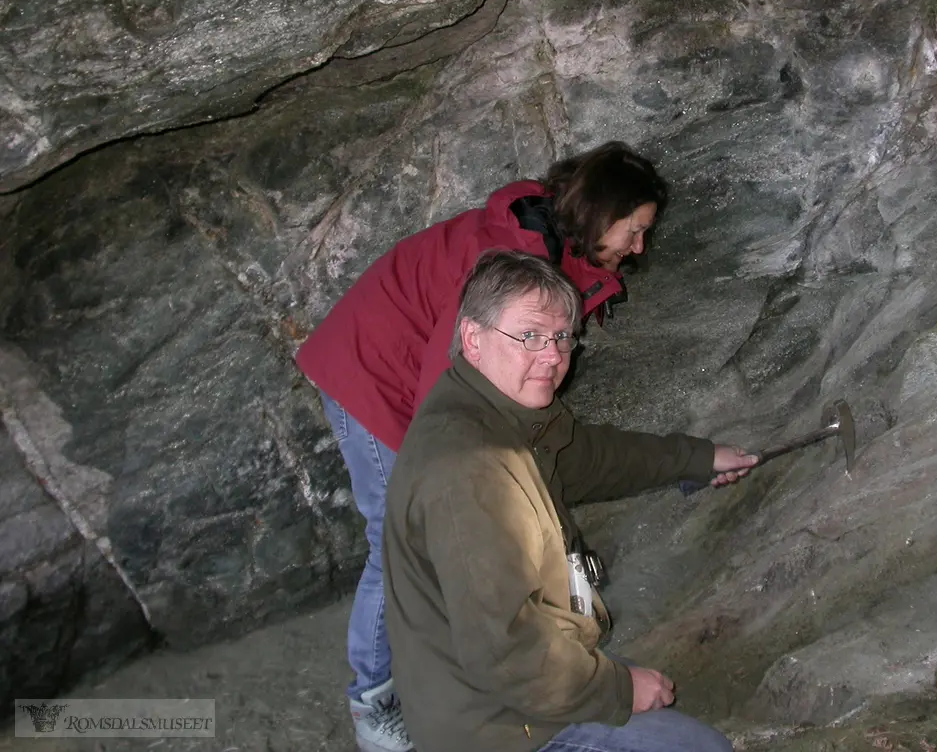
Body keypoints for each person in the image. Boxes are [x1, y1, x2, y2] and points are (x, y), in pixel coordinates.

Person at [294, 142, 668, 752]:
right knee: (394, 531)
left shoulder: (552, 248)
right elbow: (448, 393)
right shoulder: (510, 260)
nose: (639, 248)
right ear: (602, 213)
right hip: (373, 370)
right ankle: (374, 702)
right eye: (634, 230)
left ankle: (432, 669)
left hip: (400, 361)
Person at [382, 249, 758, 752]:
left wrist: (698, 458)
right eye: (530, 336)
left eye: (562, 337)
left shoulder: (499, 409)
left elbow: (591, 458)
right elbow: (505, 649)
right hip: (496, 726)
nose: (554, 356)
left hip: (505, 689)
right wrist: (618, 691)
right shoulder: (468, 467)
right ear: (473, 338)